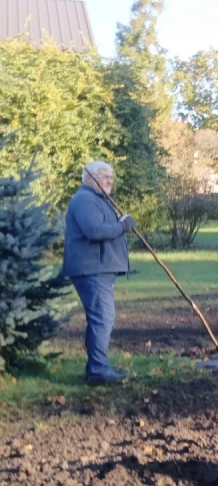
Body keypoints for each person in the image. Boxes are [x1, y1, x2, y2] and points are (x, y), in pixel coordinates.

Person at [62, 161, 135, 385]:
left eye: (111, 177)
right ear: (89, 178)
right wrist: (122, 226)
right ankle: (98, 371)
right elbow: (94, 231)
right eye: (104, 176)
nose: (109, 180)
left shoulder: (96, 199)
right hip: (91, 269)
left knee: (101, 318)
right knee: (102, 318)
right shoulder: (85, 199)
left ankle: (97, 367)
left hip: (99, 269)